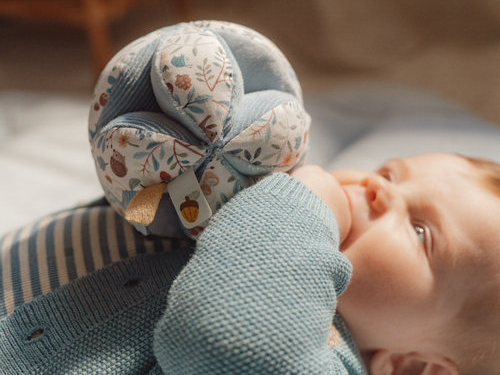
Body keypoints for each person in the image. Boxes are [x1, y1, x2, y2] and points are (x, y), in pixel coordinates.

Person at [1, 152, 498, 374]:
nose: (377, 187)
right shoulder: (261, 232)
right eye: (390, 172)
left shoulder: (323, 362)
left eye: (419, 231)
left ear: (412, 368)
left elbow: (226, 346)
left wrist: (298, 208)